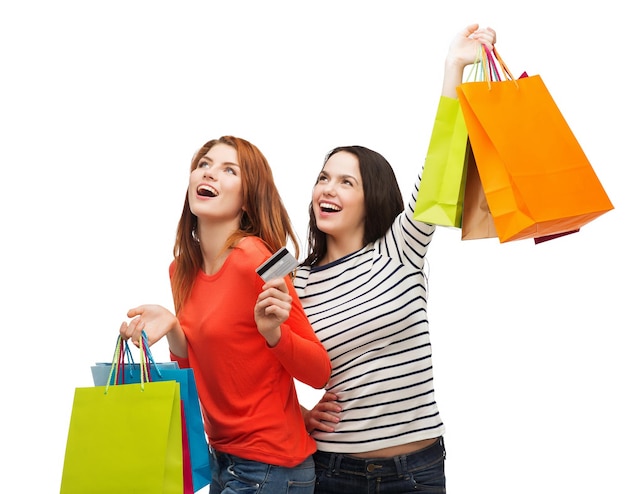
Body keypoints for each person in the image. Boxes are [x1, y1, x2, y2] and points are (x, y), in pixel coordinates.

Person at [294, 24, 497, 493]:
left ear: (373, 197)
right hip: (333, 471)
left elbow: (439, 165)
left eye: (347, 182)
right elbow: (255, 360)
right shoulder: (297, 282)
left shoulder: (401, 250)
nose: (328, 188)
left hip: (417, 470)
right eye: (324, 178)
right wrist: (299, 412)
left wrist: (454, 67)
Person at [119, 135, 332, 493]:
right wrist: (173, 328)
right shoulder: (181, 270)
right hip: (220, 458)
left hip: (270, 465)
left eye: (228, 169)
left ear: (247, 199)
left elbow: (318, 371)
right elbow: (201, 374)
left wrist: (274, 334)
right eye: (204, 164)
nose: (210, 173)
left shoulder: (255, 259)